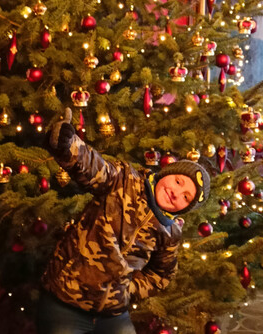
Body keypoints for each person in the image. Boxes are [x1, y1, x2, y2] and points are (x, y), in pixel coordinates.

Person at [36, 108, 211, 334]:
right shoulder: (124, 179)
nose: (176, 193)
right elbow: (93, 167)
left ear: (185, 208)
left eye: (186, 197)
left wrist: (129, 290)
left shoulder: (170, 233)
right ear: (166, 173)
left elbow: (162, 275)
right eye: (178, 182)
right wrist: (68, 144)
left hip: (113, 313)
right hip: (65, 301)